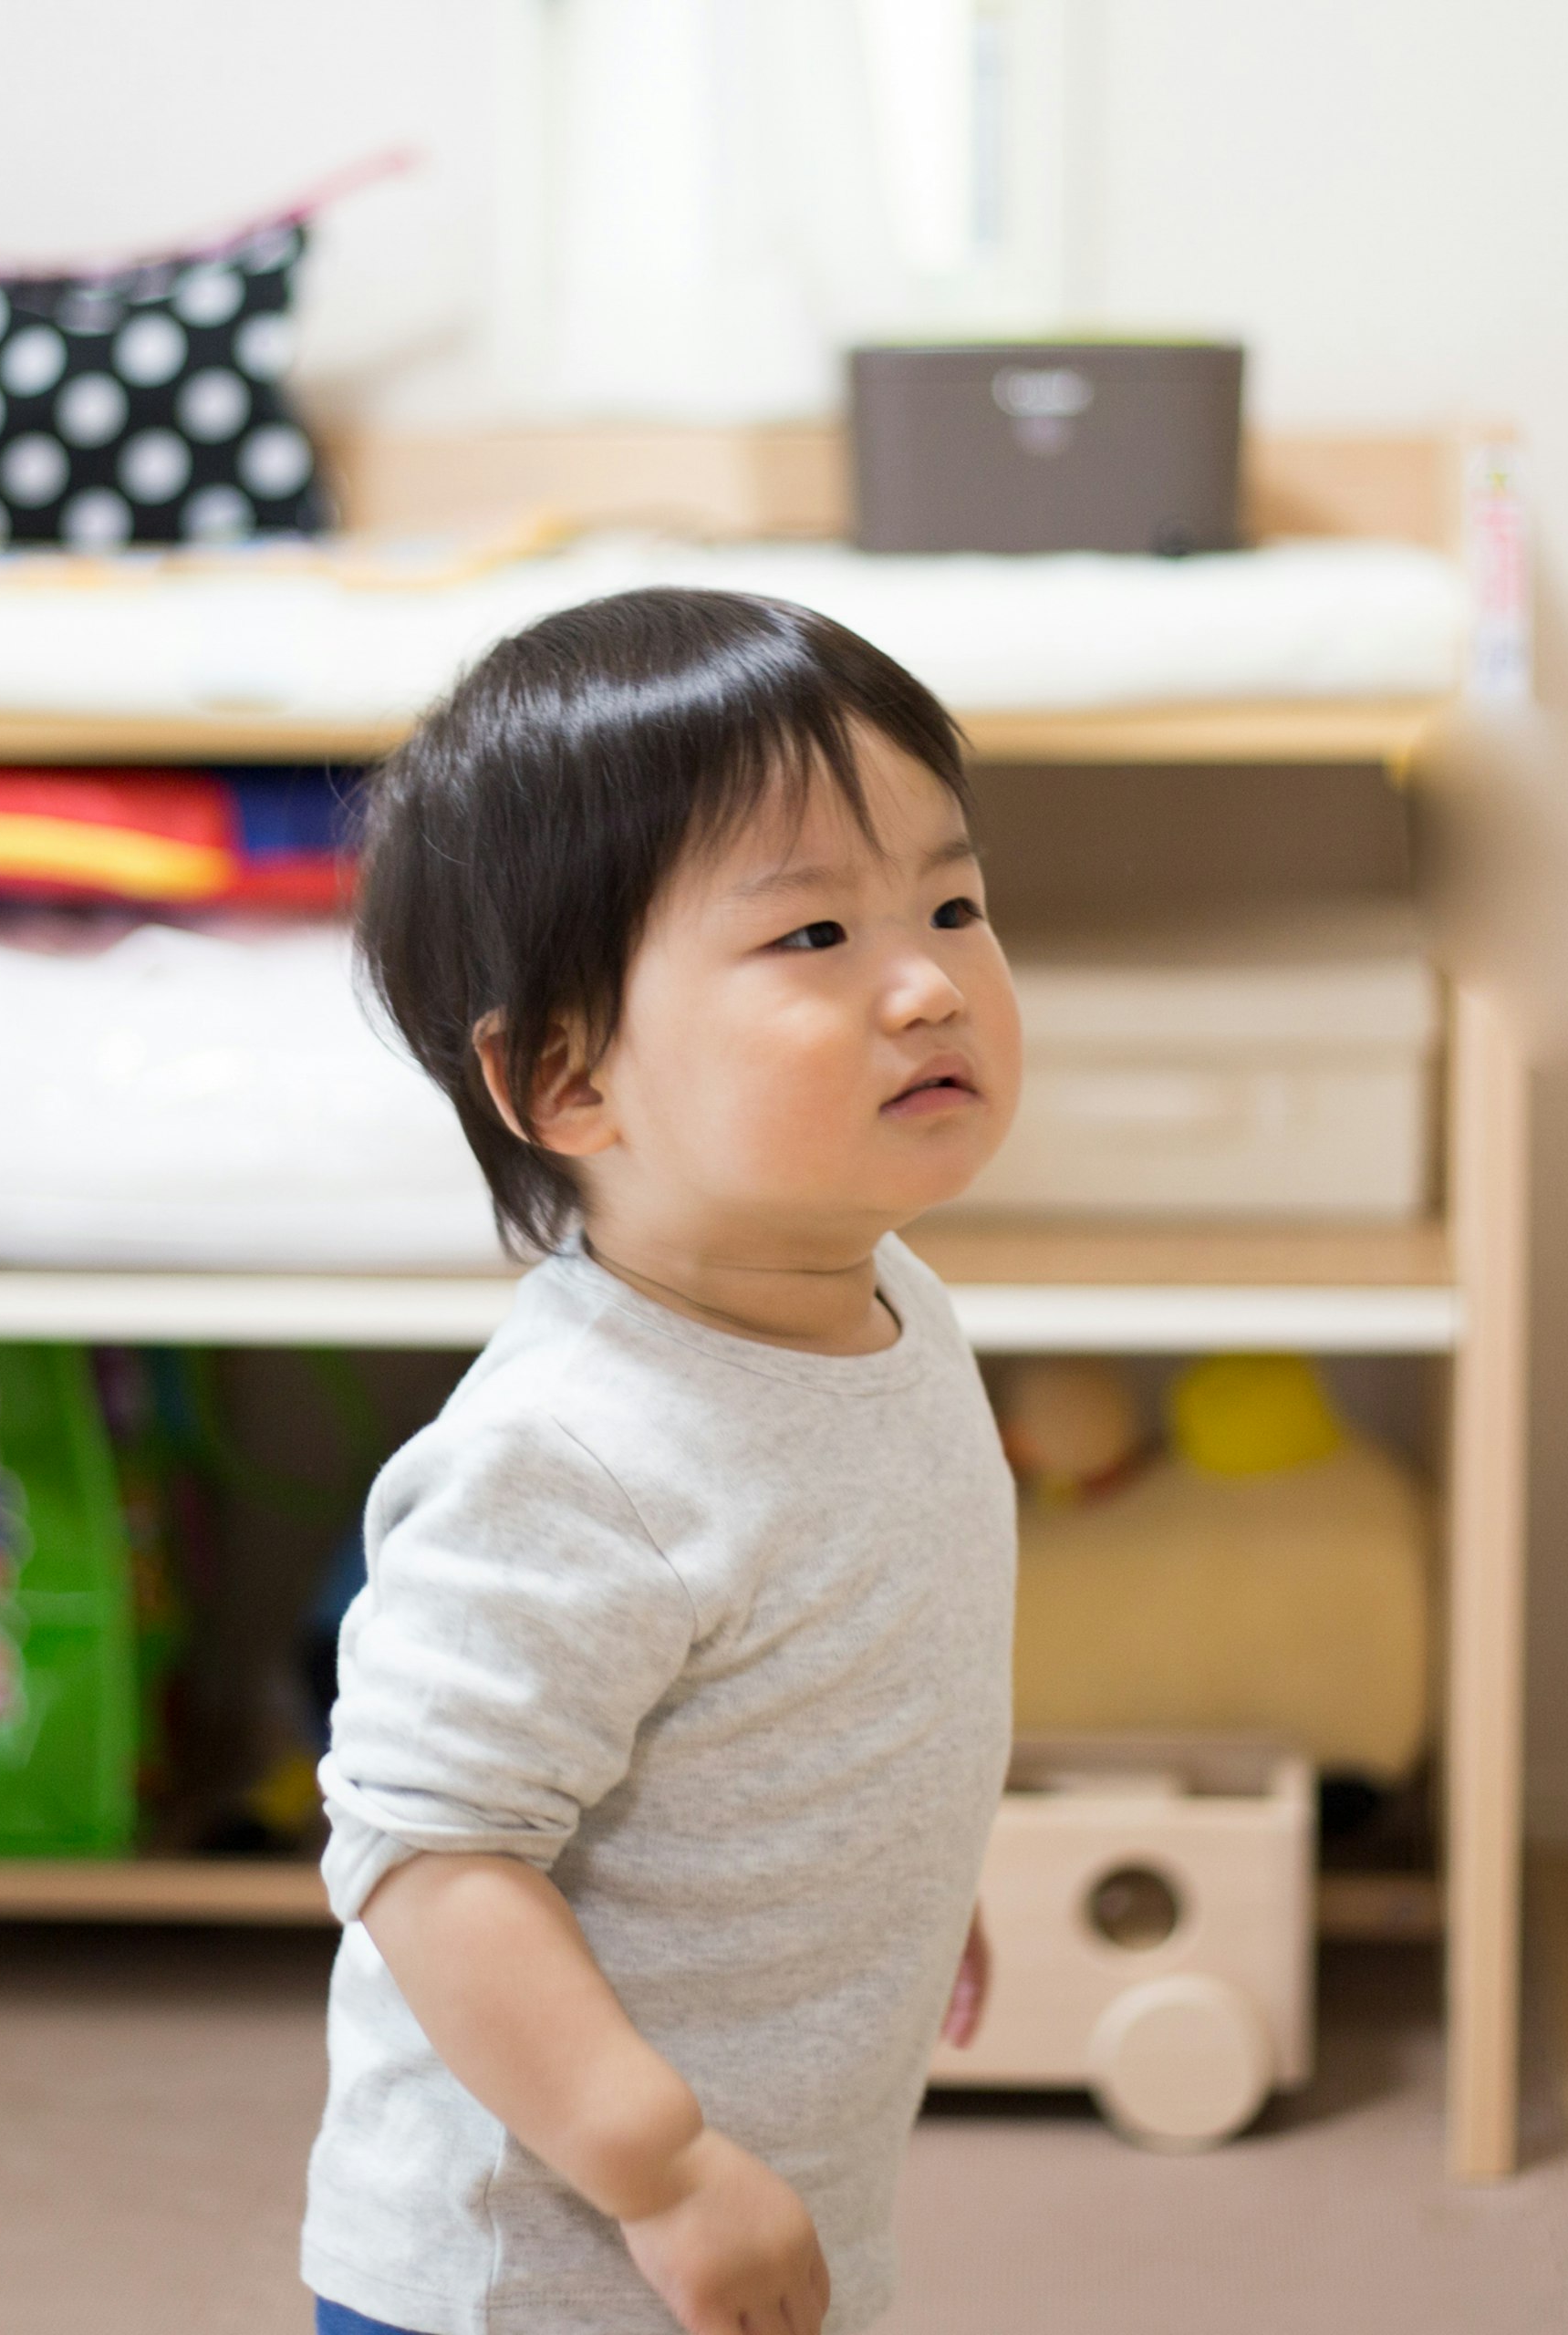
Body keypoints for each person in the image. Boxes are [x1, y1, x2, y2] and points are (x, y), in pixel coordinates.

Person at [305, 587, 1022, 2335]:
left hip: (767, 2190)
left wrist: (910, 1869)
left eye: (950, 903)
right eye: (811, 940)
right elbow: (425, 1852)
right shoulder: (575, 1453)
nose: (928, 980)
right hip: (543, 2262)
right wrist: (666, 2173)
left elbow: (841, 1661)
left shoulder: (891, 1299)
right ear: (567, 1078)